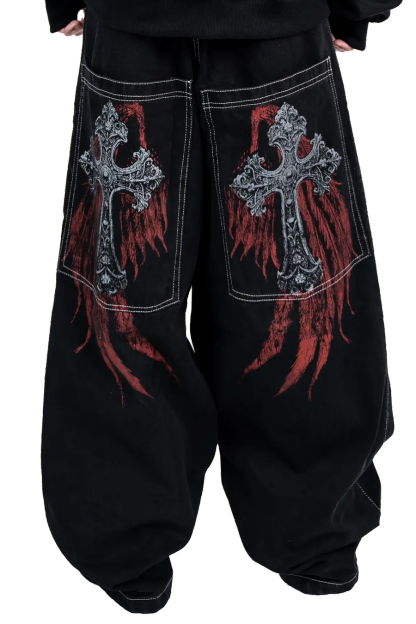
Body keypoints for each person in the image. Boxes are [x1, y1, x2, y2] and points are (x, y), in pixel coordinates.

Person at [41, 0, 403, 614]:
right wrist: (355, 6)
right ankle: (312, 525)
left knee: (124, 301)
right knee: (294, 301)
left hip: (138, 16)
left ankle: (124, 530)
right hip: (272, 14)